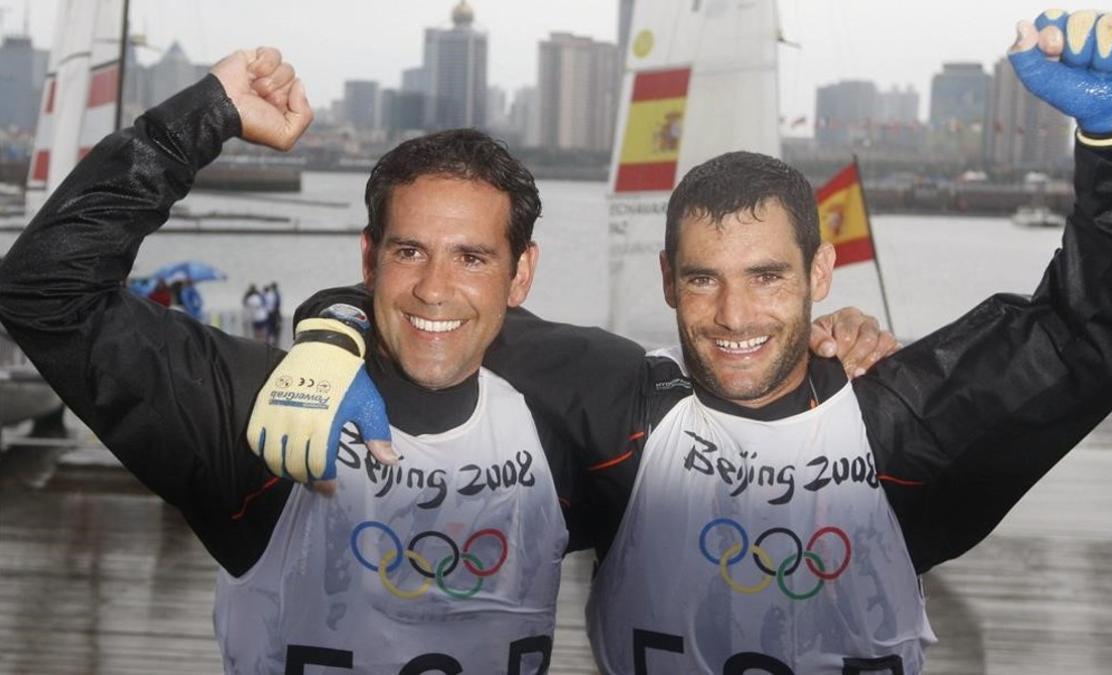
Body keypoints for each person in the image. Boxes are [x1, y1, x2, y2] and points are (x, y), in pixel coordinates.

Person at [255, 9, 1112, 673]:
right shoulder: (619, 406)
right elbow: (441, 303)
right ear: (669, 282)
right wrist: (335, 329)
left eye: (768, 277)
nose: (735, 316)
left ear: (821, 278)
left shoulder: (898, 425)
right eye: (704, 278)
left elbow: (1091, 330)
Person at [0, 47, 891, 673]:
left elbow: (739, 392)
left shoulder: (573, 417)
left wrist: (822, 348)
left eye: (471, 258)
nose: (434, 288)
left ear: (521, 274)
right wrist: (204, 115)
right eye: (408, 252)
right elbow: (44, 292)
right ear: (369, 257)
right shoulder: (269, 412)